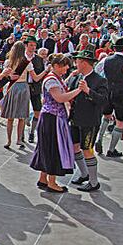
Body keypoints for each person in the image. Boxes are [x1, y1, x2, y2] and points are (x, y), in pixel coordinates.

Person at [30, 54, 82, 193]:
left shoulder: (55, 77)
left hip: (51, 117)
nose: (66, 69)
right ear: (57, 66)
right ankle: (51, 182)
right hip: (52, 119)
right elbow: (59, 97)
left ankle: (43, 179)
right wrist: (78, 91)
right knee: (53, 149)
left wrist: (71, 76)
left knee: (47, 148)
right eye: (64, 66)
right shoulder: (51, 80)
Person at [67, 50, 109, 192]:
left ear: (84, 62)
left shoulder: (99, 80)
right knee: (74, 147)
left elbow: (103, 100)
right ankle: (84, 174)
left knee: (87, 150)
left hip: (89, 121)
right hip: (75, 119)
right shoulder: (76, 76)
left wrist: (88, 91)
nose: (75, 63)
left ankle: (94, 182)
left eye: (77, 61)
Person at [95, 37, 123, 157]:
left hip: (108, 89)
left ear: (114, 48)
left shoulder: (106, 60)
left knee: (106, 116)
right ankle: (111, 149)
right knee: (120, 121)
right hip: (121, 92)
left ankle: (99, 139)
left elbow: (97, 70)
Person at [1, 41, 37, 149]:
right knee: (21, 116)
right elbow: (35, 78)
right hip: (23, 88)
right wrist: (46, 71)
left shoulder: (8, 62)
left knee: (10, 117)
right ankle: (19, 140)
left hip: (12, 88)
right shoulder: (27, 63)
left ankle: (8, 140)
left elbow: (5, 76)